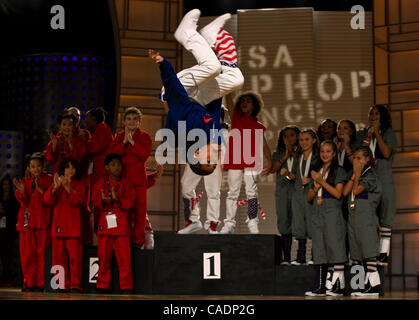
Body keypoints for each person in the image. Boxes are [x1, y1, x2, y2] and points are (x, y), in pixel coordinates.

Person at [220, 91, 272, 234]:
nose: (244, 103)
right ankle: (229, 223)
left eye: (248, 101)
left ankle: (252, 220)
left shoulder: (258, 126)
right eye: (242, 101)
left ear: (254, 106)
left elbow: (264, 145)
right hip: (235, 159)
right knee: (233, 192)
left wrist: (270, 161)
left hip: (252, 160)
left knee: (251, 192)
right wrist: (228, 88)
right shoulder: (235, 117)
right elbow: (229, 101)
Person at [356, 105, 398, 266]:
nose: (373, 116)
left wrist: (377, 133)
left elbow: (386, 153)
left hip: (384, 179)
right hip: (367, 180)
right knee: (369, 216)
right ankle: (371, 251)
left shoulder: (388, 133)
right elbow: (359, 154)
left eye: (377, 114)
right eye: (371, 113)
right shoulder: (362, 133)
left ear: (383, 117)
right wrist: (368, 136)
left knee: (386, 215)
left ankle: (383, 253)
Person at [305, 141, 347, 296]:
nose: (325, 154)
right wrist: (315, 187)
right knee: (319, 249)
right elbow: (309, 197)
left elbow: (338, 194)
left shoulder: (339, 171)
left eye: (328, 151)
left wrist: (322, 182)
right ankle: (321, 287)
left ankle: (337, 286)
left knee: (335, 248)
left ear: (334, 153)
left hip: (332, 212)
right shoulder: (316, 171)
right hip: (317, 212)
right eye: (322, 151)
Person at [108, 107, 152, 248]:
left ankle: (138, 242)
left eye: (134, 119)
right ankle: (122, 239)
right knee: (123, 211)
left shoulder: (144, 137)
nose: (131, 122)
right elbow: (112, 156)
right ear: (124, 122)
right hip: (123, 181)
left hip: (138, 181)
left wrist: (133, 142)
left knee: (140, 213)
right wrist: (124, 143)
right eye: (128, 119)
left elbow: (145, 155)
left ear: (139, 122)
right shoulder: (119, 137)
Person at [92, 154, 136, 293]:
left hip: (121, 223)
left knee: (124, 259)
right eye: (113, 164)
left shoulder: (126, 182)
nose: (116, 167)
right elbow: (95, 200)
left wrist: (118, 199)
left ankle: (126, 286)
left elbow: (131, 201)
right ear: (106, 167)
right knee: (103, 257)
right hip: (105, 222)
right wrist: (103, 201)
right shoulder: (100, 182)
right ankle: (103, 285)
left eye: (118, 164)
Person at [343, 146, 382, 296]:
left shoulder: (371, 175)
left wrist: (357, 172)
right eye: (355, 158)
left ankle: (373, 285)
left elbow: (356, 191)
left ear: (368, 160)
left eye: (359, 158)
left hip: (366, 217)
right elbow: (346, 192)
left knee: (368, 251)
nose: (356, 161)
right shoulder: (355, 175)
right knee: (356, 252)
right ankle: (358, 285)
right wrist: (354, 174)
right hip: (353, 217)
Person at [43, 158, 86, 292]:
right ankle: (61, 284)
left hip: (73, 228)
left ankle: (75, 285)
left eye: (73, 167)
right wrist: (55, 188)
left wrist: (68, 188)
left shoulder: (79, 184)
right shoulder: (57, 183)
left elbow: (80, 200)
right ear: (63, 169)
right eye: (68, 167)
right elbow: (47, 200)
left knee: (75, 259)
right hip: (58, 227)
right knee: (58, 258)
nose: (70, 170)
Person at [13, 153, 52, 291]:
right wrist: (23, 192)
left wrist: (41, 190)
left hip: (43, 223)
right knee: (28, 255)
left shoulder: (49, 179)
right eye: (33, 167)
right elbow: (22, 200)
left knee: (42, 254)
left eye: (38, 166)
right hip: (29, 225)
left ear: (43, 166)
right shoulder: (25, 182)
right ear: (29, 168)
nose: (36, 169)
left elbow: (51, 199)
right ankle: (29, 282)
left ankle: (41, 283)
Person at [270, 125, 300, 265]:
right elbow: (273, 168)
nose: (288, 138)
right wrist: (285, 156)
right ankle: (287, 257)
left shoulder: (302, 153)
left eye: (292, 135)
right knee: (284, 221)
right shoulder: (278, 153)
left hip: (297, 191)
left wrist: (293, 153)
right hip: (282, 192)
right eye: (285, 136)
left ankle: (301, 256)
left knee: (299, 222)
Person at [291, 129, 319, 265]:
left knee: (312, 224)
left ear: (314, 140)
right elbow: (294, 176)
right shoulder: (298, 157)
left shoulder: (318, 157)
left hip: (311, 193)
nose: (304, 142)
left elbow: (322, 175)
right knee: (298, 225)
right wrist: (286, 175)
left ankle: (314, 256)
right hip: (297, 194)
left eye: (307, 139)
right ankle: (300, 257)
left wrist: (311, 182)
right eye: (301, 140)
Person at [0, 176, 19, 286]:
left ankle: (8, 277)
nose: (6, 186)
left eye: (8, 184)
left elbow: (14, 214)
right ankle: (3, 276)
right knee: (2, 255)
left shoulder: (13, 198)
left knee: (8, 254)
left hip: (9, 230)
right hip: (0, 230)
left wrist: (4, 210)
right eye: (4, 184)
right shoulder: (0, 197)